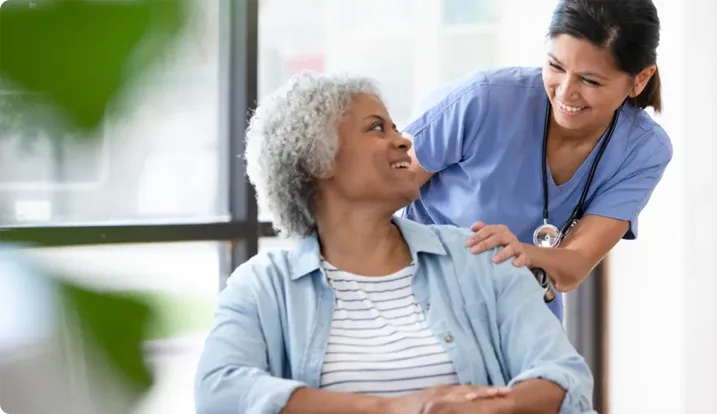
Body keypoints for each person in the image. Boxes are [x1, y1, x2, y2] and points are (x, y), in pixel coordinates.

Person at [194, 72, 595, 414]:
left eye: (396, 128)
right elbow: (220, 390)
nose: (404, 141)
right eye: (376, 127)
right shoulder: (264, 285)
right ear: (318, 160)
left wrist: (484, 407)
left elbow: (565, 376)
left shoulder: (482, 256)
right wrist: (393, 407)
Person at [401, 0, 673, 320]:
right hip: (417, 306)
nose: (566, 92)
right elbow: (377, 196)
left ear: (640, 79)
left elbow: (574, 266)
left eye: (590, 81)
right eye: (556, 67)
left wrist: (518, 253)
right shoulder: (485, 99)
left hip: (522, 322)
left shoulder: (643, 149)